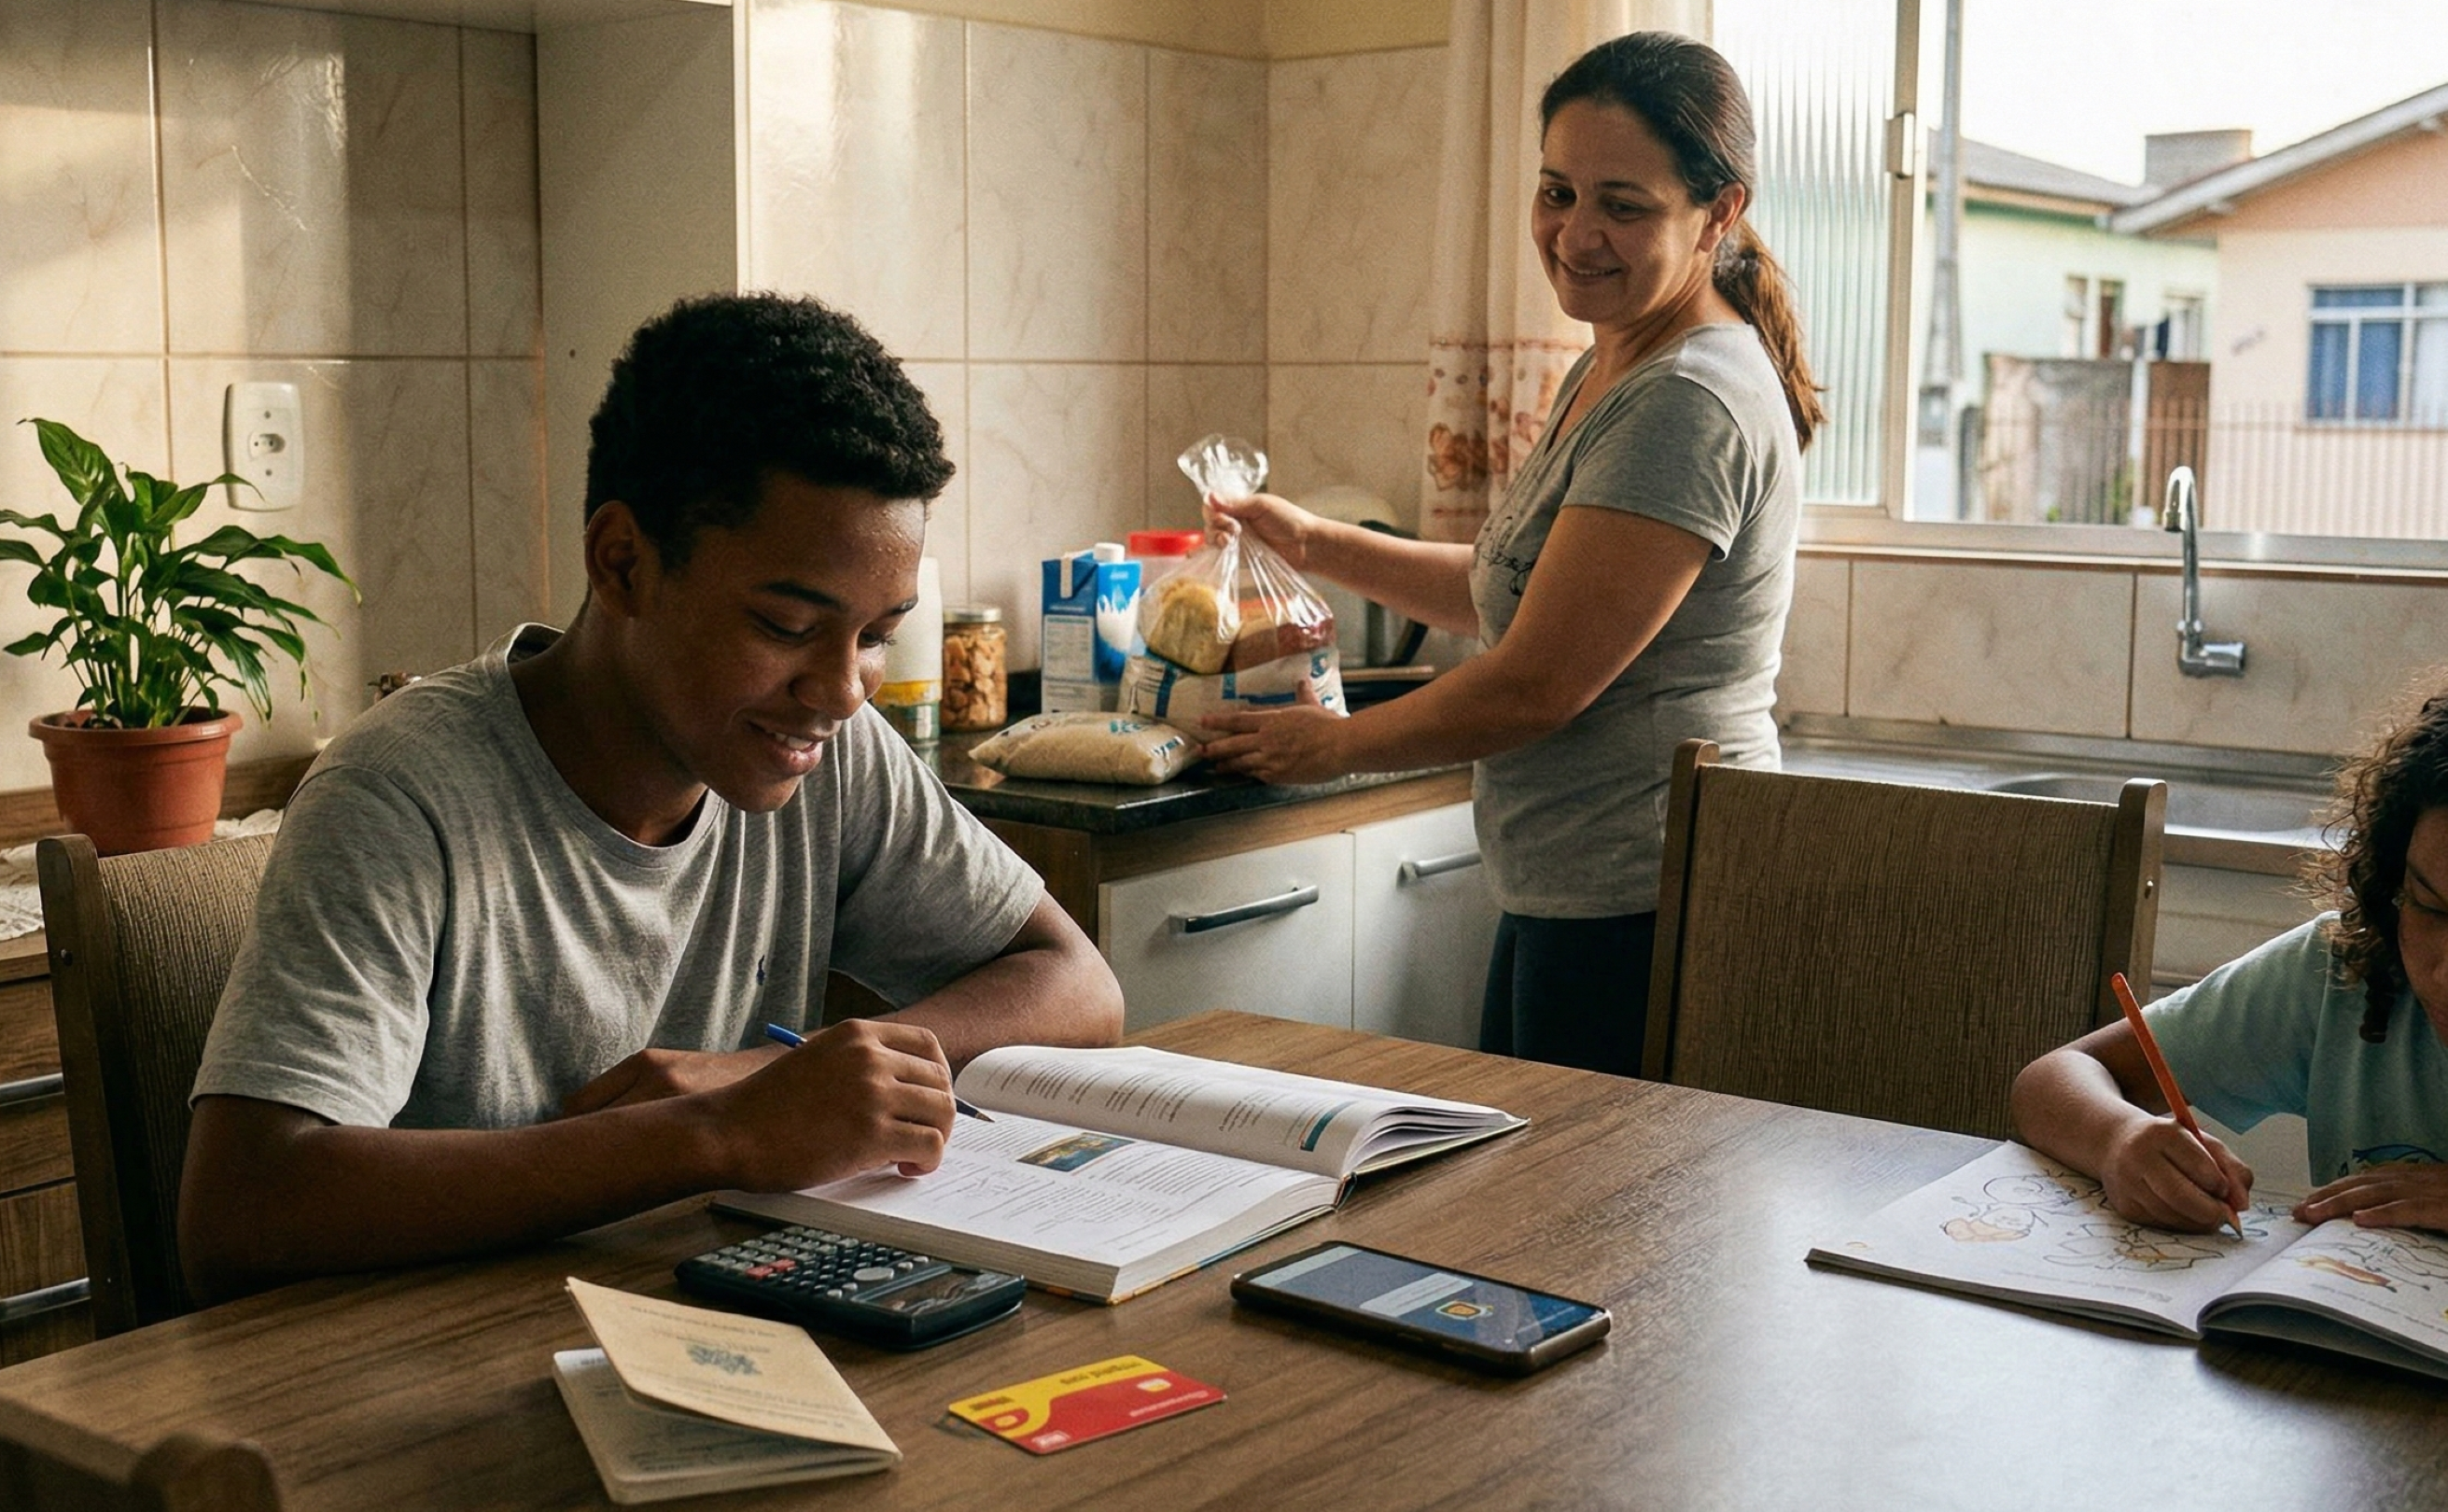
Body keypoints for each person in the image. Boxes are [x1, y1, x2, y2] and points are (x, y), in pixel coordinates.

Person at [179, 293, 1124, 1302]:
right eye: (785, 623)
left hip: (696, 1328)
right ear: (623, 562)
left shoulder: (825, 754)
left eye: (878, 634)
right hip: (429, 1373)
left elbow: (1078, 986)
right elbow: (242, 1210)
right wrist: (717, 1132)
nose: (845, 689)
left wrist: (786, 1081)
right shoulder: (402, 794)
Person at [1199, 32, 1818, 1073]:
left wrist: (1335, 746)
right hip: (1583, 885)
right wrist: (1315, 542)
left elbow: (1539, 682)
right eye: (1557, 192)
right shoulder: (1620, 359)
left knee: (1595, 1231)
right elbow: (1521, 594)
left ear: (1720, 213)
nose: (1577, 235)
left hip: (1649, 901)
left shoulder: (1686, 400)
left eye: (1624, 205)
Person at [2014, 689, 2448, 1236]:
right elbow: (2050, 1082)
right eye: (2430, 906)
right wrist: (2118, 1139)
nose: (2442, 974)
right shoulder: (2349, 975)